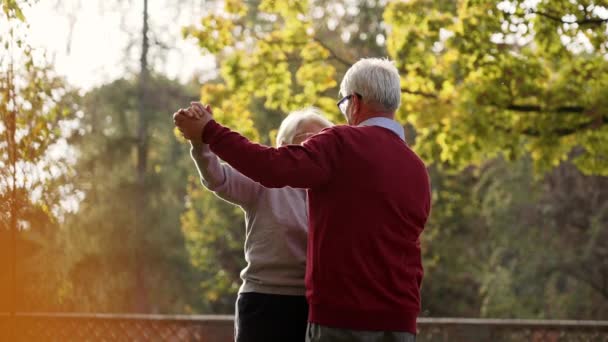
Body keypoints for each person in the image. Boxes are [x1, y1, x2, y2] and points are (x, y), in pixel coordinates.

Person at [175, 58, 431, 342]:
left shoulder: (342, 143)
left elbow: (271, 167)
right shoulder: (416, 167)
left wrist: (211, 131)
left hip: (344, 318)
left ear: (355, 102)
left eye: (344, 105)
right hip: (400, 322)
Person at [180, 105, 333, 342]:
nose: (315, 147)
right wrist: (201, 144)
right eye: (307, 139)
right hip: (265, 300)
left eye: (323, 141)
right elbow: (217, 177)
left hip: (318, 305)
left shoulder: (335, 191)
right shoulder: (265, 179)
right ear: (284, 145)